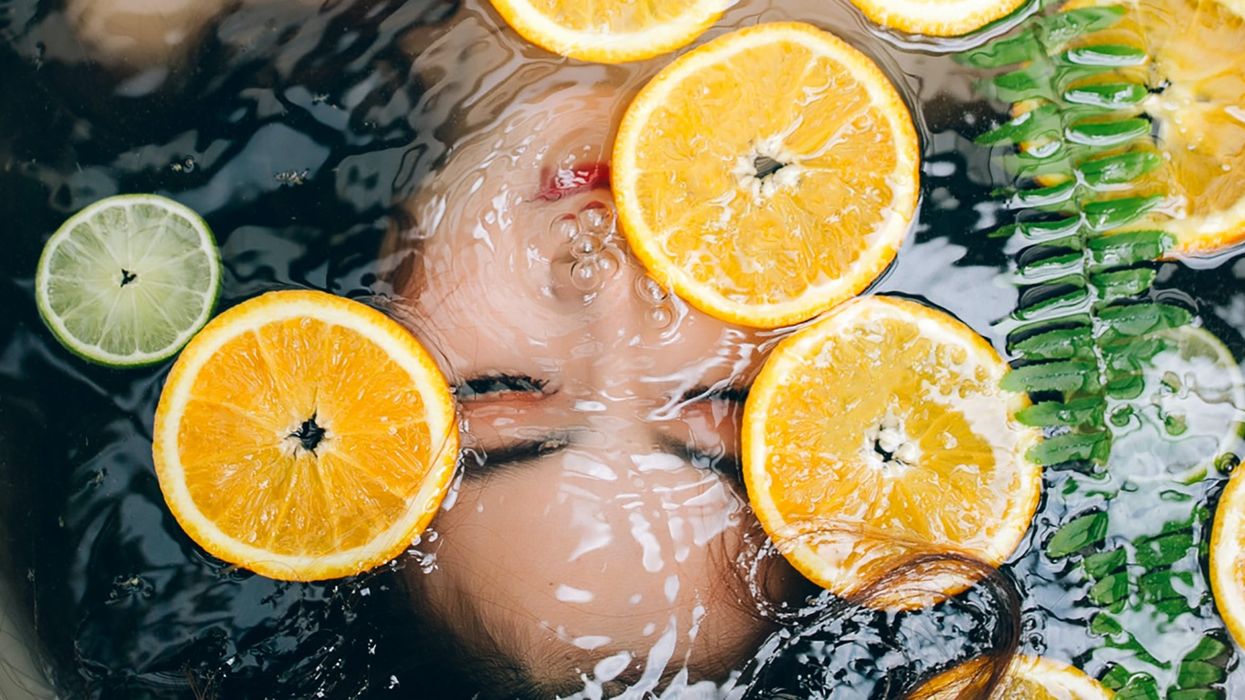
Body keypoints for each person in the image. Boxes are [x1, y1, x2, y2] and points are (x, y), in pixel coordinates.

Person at [52, 0, 1021, 697]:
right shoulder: (996, 47)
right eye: (714, 405)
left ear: (384, 291)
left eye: (503, 391)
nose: (611, 298)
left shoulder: (191, 26)